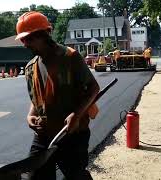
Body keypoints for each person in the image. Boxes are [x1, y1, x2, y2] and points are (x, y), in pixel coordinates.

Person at [15, 11, 100, 180]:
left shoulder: (70, 57)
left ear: (44, 35)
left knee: (75, 175)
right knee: (36, 175)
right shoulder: (30, 67)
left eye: (28, 39)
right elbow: (38, 98)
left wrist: (76, 115)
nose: (25, 44)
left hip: (72, 134)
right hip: (44, 134)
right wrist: (30, 115)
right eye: (23, 40)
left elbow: (93, 88)